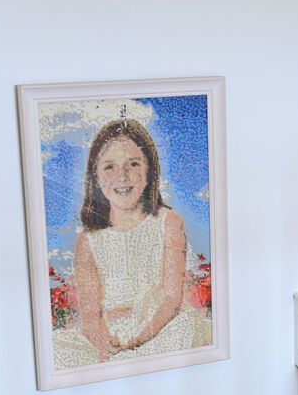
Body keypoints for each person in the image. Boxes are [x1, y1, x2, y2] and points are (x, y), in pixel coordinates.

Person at [53, 117, 210, 368]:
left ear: (149, 171)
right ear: (95, 175)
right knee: (57, 349)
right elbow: (91, 315)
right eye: (109, 167)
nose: (122, 177)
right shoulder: (88, 241)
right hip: (110, 334)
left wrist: (137, 340)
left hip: (159, 328)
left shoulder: (168, 223)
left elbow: (170, 300)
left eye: (133, 164)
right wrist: (105, 341)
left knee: (186, 329)